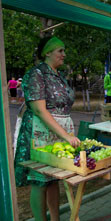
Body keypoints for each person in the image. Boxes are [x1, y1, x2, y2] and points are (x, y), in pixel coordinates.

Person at [14, 36, 81, 221]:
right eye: (60, 50)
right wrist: (66, 135)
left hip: (59, 135)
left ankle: (55, 219)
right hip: (40, 133)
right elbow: (39, 110)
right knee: (40, 180)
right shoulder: (36, 74)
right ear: (47, 52)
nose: (64, 54)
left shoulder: (59, 76)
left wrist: (66, 133)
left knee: (53, 180)